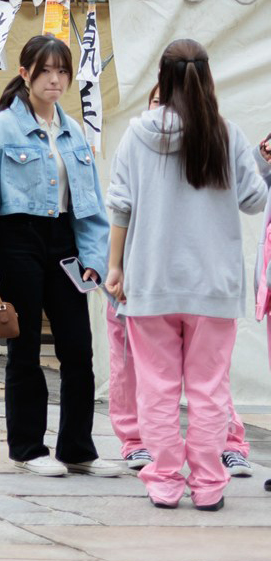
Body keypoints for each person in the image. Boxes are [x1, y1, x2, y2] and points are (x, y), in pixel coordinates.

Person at [104, 40, 267, 509]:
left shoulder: (137, 134)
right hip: (214, 286)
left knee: (156, 388)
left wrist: (115, 267)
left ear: (163, 77)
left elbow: (120, 206)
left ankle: (164, 481)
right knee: (209, 389)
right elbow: (254, 200)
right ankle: (210, 483)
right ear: (207, 78)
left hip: (151, 281)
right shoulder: (226, 134)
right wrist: (261, 160)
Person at [0, 34, 119, 477]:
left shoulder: (75, 132)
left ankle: (77, 448)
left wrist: (95, 258)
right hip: (18, 241)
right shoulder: (0, 129)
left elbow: (90, 204)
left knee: (78, 347)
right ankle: (28, 448)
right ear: (25, 73)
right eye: (46, 70)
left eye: (62, 71)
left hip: (65, 243)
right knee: (25, 346)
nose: (55, 79)